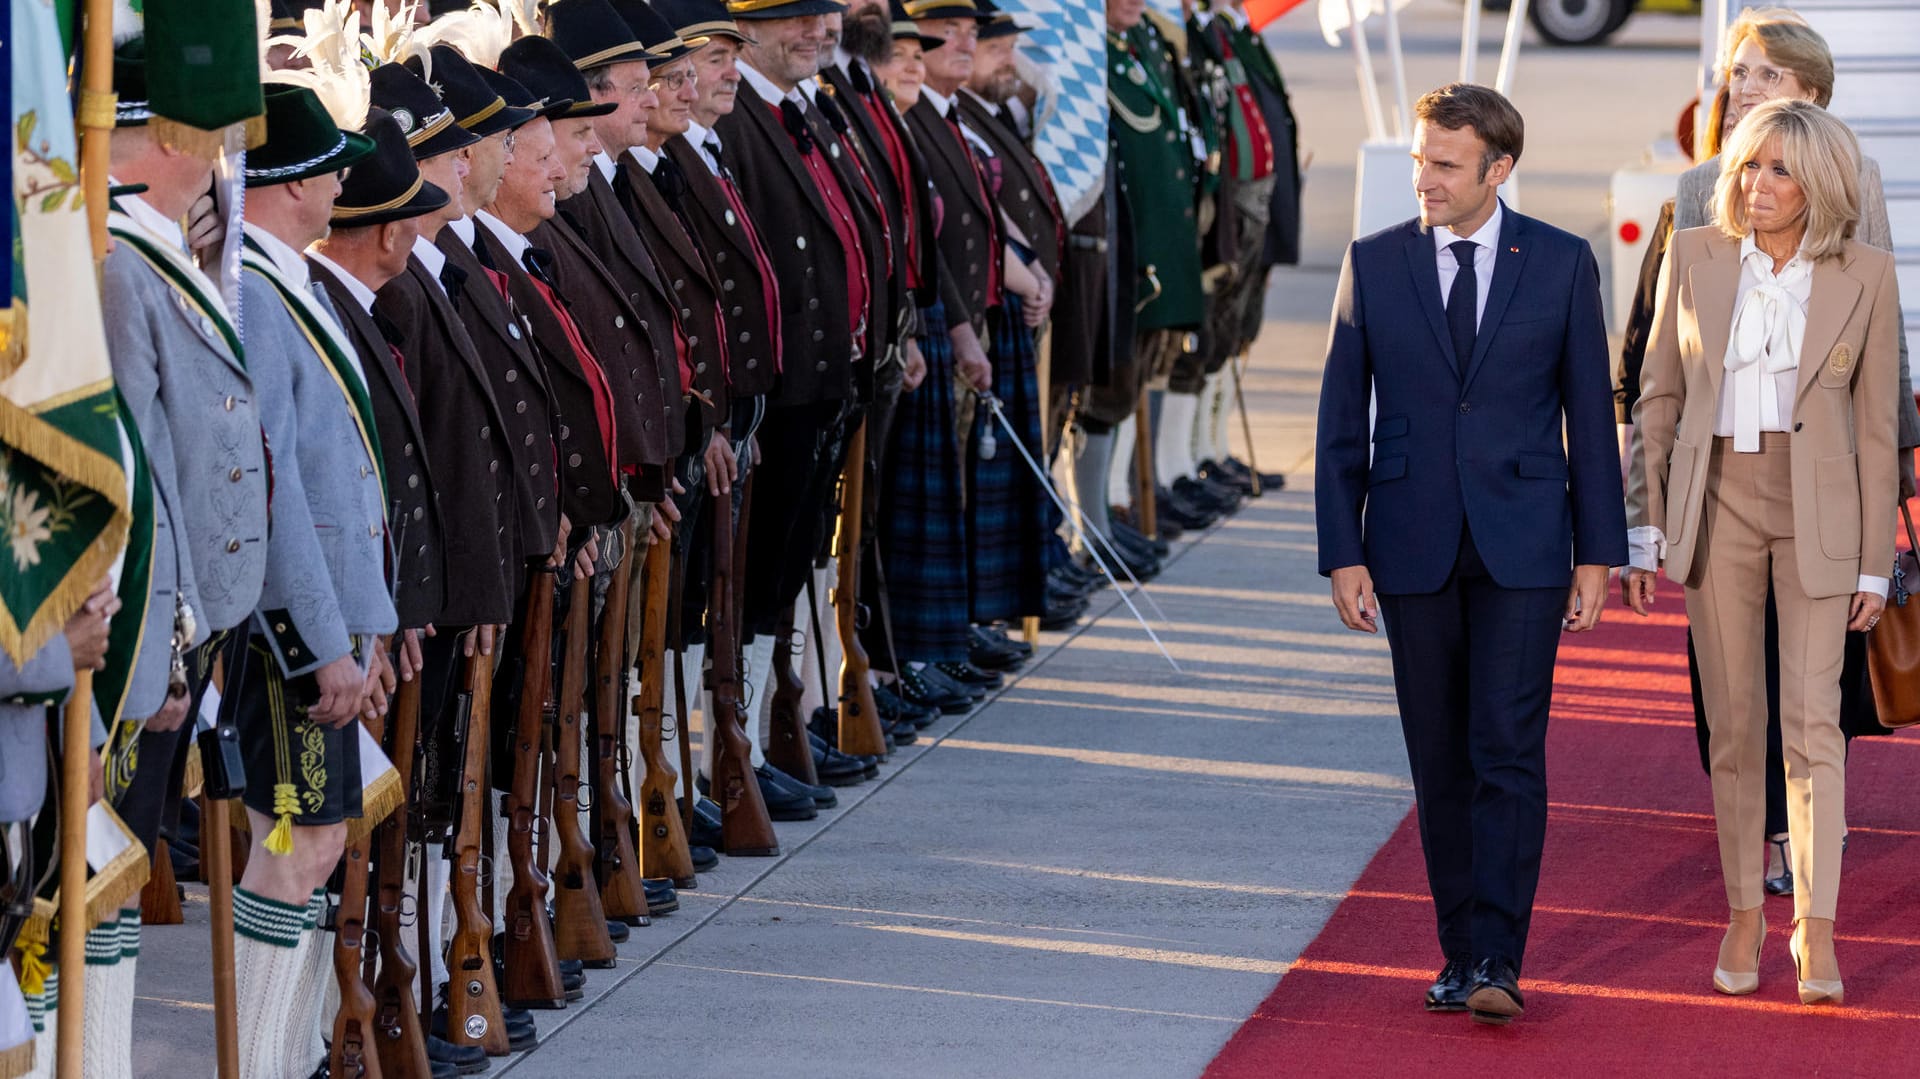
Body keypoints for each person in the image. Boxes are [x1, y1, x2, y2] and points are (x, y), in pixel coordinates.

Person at [1314, 83, 1623, 1024]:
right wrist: (1342, 550)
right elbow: (1339, 424)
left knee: (1508, 750)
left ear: (1500, 168)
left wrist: (1597, 552)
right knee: (1438, 758)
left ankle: (1498, 954)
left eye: (1446, 164)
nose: (1425, 180)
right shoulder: (1373, 262)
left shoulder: (1564, 264)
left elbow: (1590, 420)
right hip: (1408, 545)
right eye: (1420, 160)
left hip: (1526, 544)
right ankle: (1458, 951)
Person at [1623, 99, 1900, 1007]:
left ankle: (1815, 927)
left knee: (1814, 725)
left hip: (1821, 514)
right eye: (1749, 166)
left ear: (1819, 183)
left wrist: (1873, 560)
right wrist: (1642, 522)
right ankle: (1745, 908)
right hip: (1719, 506)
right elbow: (1657, 394)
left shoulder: (1866, 272)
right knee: (1735, 727)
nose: (1757, 184)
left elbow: (1873, 430)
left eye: (1780, 169)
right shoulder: (1697, 255)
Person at [233, 83, 389, 1078]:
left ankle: (279, 1055)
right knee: (297, 848)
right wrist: (320, 637)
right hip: (289, 630)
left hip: (326, 618)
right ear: (297, 181)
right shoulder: (252, 291)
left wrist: (369, 617)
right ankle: (260, 1059)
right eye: (333, 161)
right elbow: (276, 481)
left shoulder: (284, 278)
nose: (345, 177)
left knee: (315, 845)